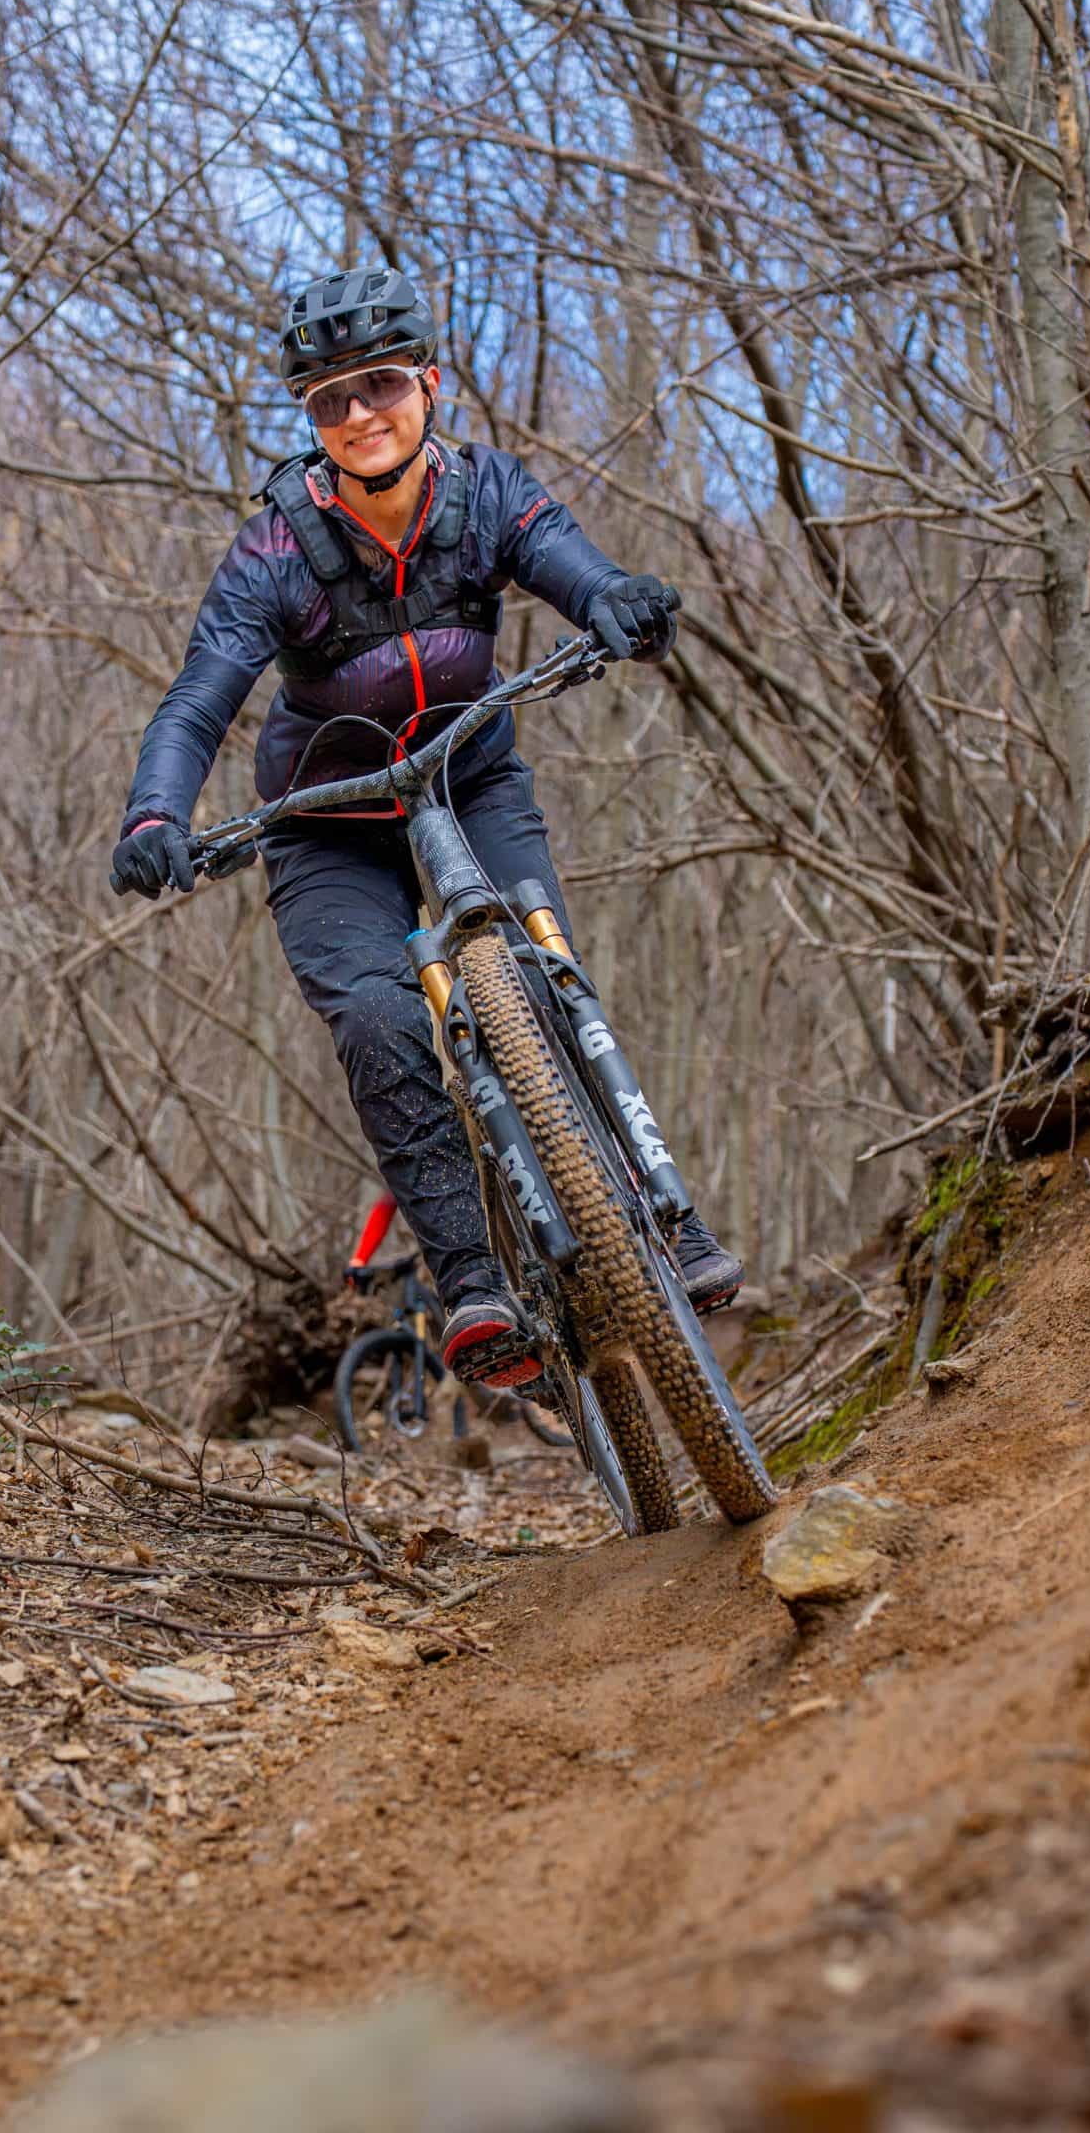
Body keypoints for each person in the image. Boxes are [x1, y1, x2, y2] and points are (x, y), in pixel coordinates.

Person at [111, 266, 743, 1389]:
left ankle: (667, 1217)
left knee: (547, 963)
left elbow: (574, 568)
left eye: (380, 386)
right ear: (310, 422)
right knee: (373, 1017)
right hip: (326, 822)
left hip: (468, 778)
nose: (358, 416)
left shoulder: (487, 494)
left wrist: (614, 605)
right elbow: (199, 698)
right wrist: (157, 812)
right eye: (327, 402)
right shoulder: (276, 551)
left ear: (430, 386)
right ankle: (474, 1286)